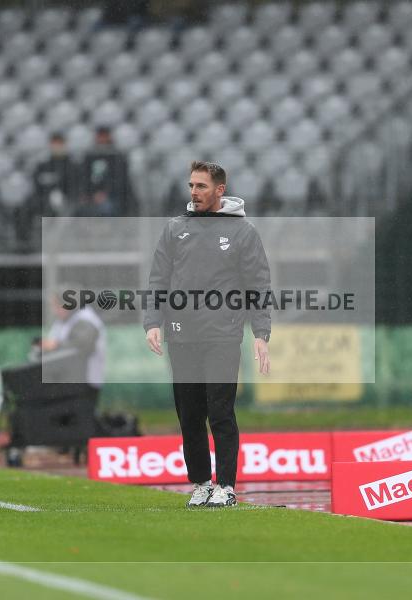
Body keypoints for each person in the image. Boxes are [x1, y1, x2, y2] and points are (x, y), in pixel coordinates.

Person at [144, 161, 271, 508]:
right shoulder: (175, 229)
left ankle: (226, 486)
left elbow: (257, 285)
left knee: (220, 412)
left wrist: (261, 334)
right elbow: (158, 279)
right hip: (182, 335)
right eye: (191, 186)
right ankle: (201, 482)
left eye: (201, 186)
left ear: (220, 190)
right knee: (189, 415)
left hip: (222, 336)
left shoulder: (244, 232)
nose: (194, 193)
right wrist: (153, 321)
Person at [76, 127, 138, 217]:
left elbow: (120, 181)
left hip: (113, 196)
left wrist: (106, 193)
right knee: (79, 210)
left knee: (106, 208)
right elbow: (84, 178)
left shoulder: (117, 157)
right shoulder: (89, 157)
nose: (102, 139)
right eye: (100, 136)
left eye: (104, 136)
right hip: (92, 196)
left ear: (109, 137)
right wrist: (87, 194)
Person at [31, 132, 77, 217]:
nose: (56, 146)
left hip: (67, 198)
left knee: (57, 198)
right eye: (54, 143)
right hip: (44, 199)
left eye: (59, 143)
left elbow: (72, 184)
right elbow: (37, 181)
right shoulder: (43, 165)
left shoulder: (71, 164)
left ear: (64, 145)